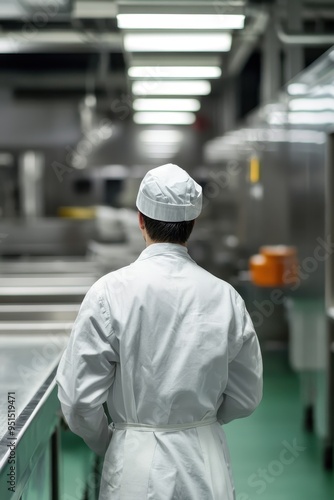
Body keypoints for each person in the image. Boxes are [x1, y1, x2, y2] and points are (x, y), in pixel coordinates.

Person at [56, 163, 263, 500]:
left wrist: (115, 440)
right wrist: (201, 423)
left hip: (135, 465)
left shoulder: (109, 293)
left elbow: (79, 402)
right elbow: (246, 396)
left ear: (140, 219)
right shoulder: (226, 297)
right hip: (204, 463)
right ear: (192, 224)